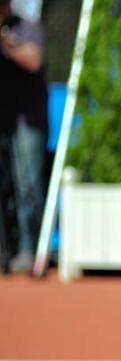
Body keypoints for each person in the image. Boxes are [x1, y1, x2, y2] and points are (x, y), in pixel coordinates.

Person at [0, 0, 48, 274]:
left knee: (28, 187)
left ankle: (30, 250)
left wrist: (6, 41)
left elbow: (33, 60)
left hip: (27, 124)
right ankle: (6, 251)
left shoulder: (28, 28)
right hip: (3, 122)